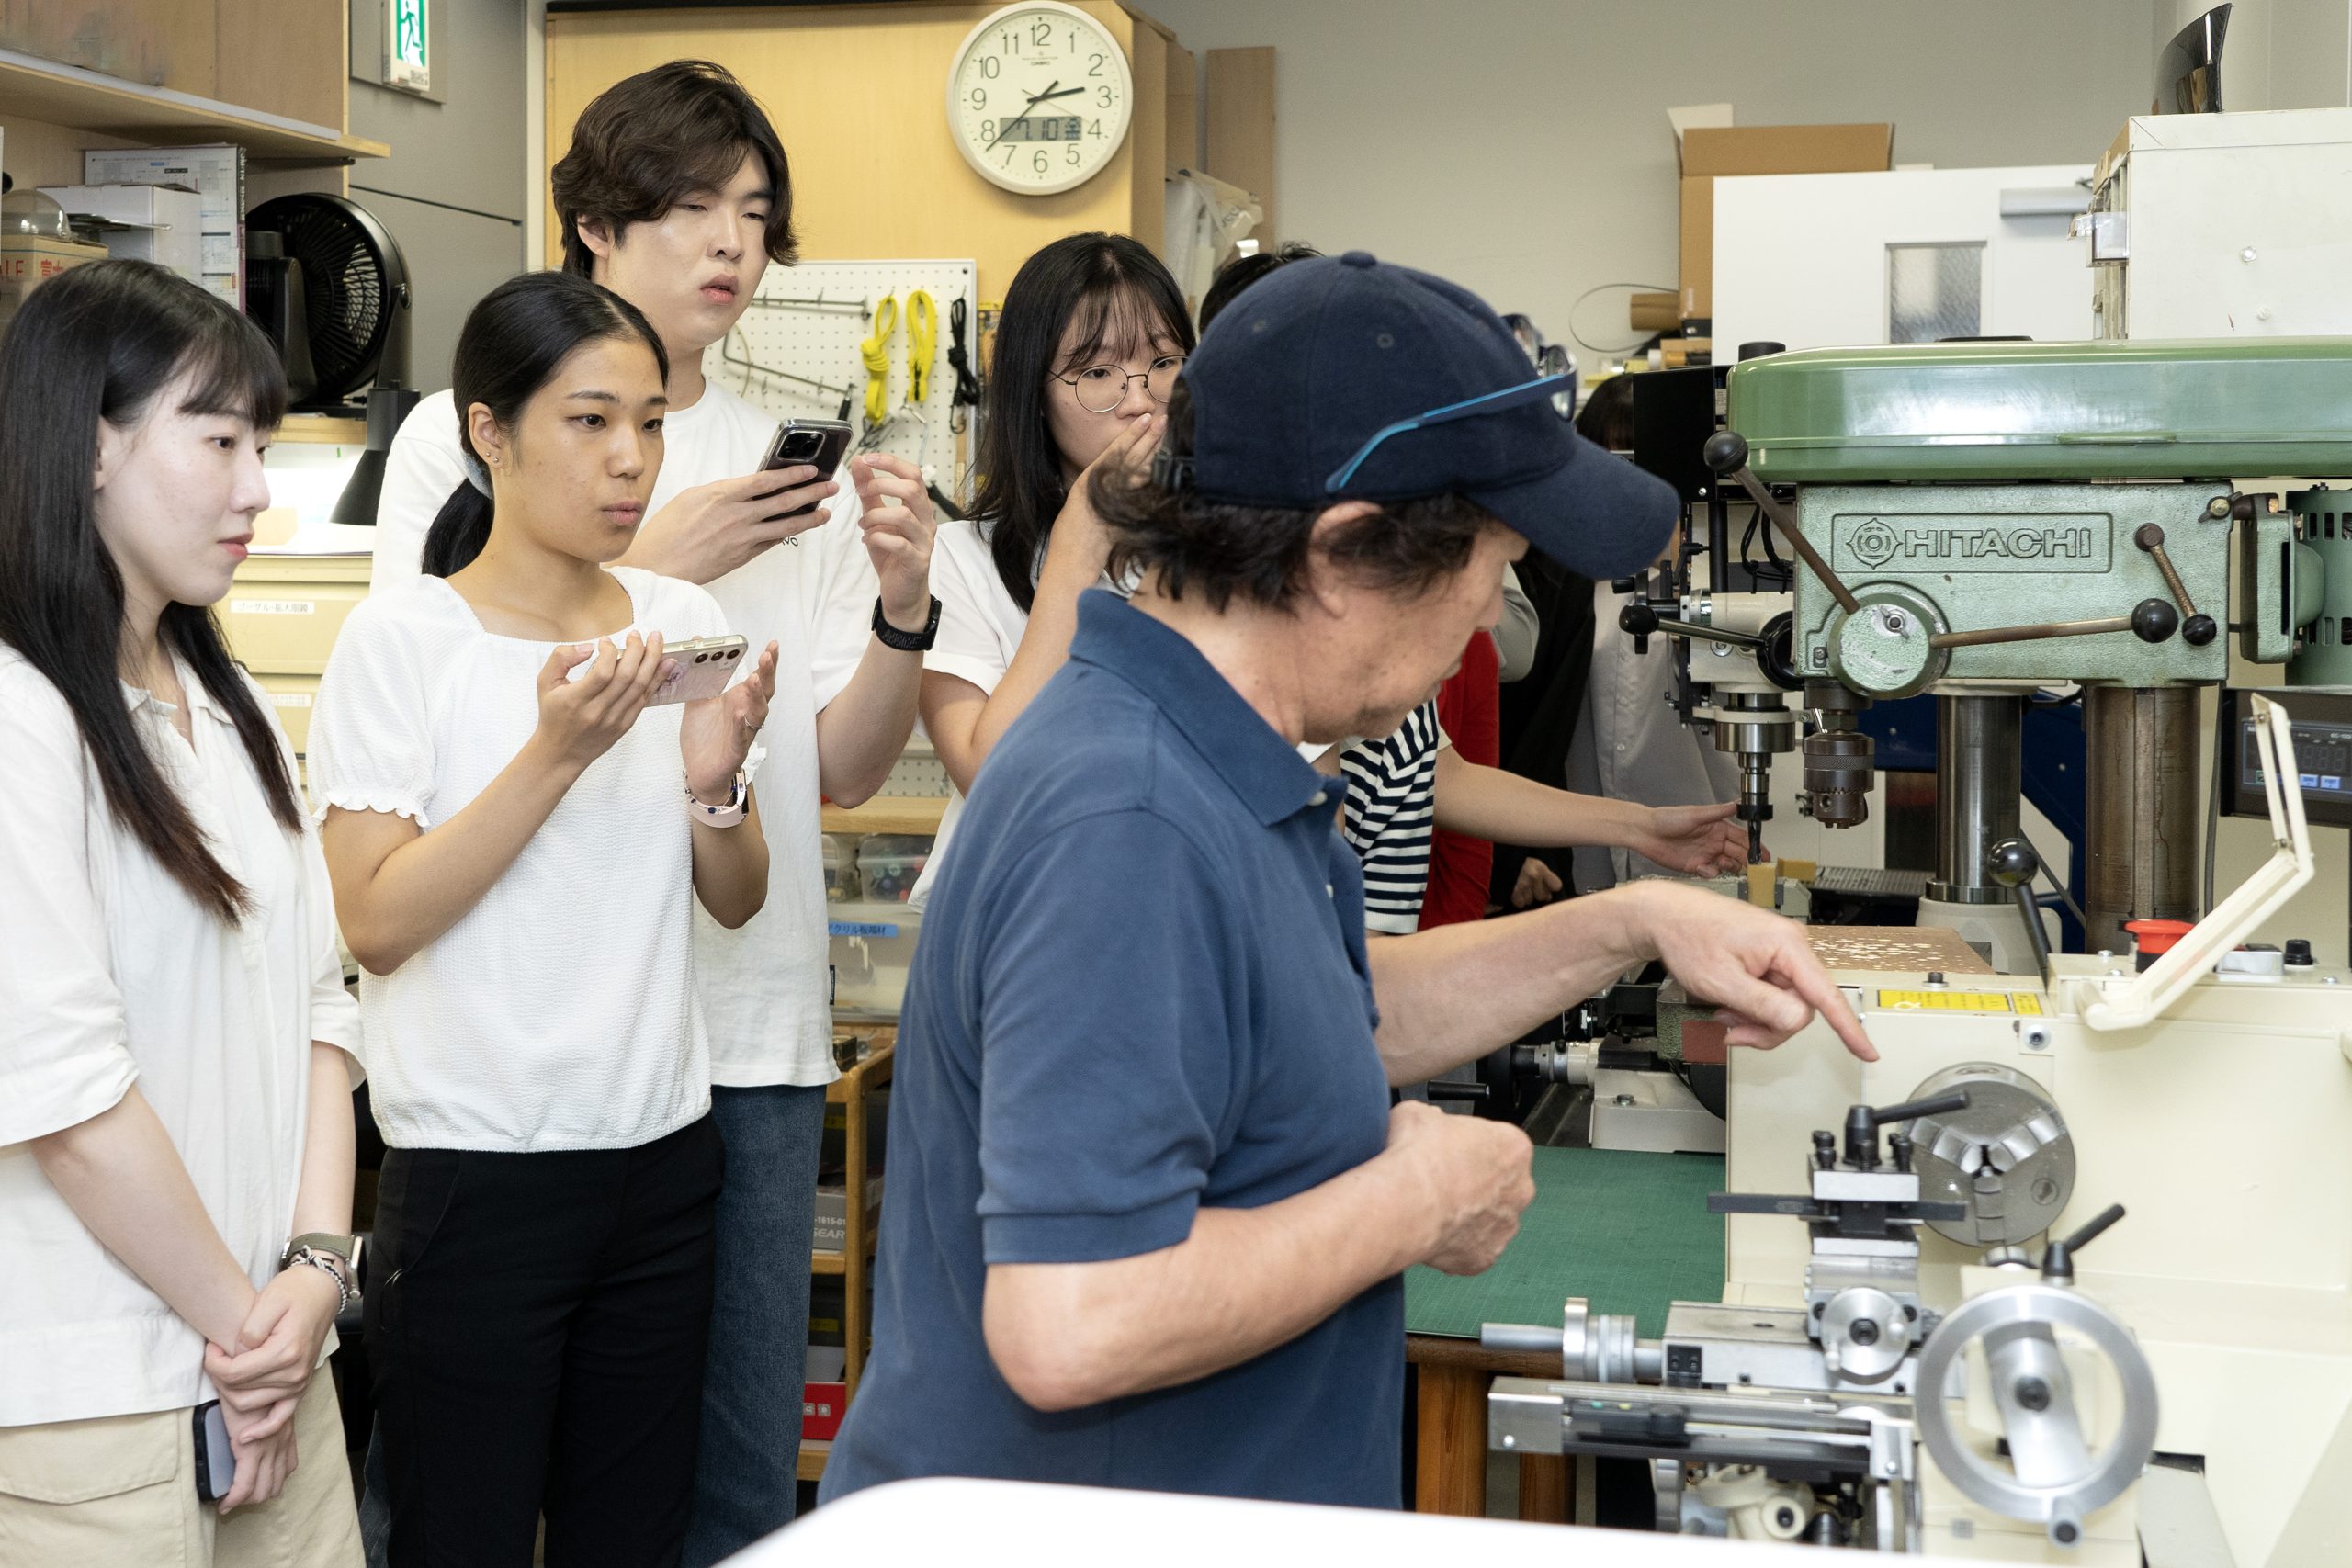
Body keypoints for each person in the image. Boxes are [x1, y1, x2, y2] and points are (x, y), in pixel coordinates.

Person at [818, 251, 1877, 1506]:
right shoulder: (1127, 816)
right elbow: (1074, 1319)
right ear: (1338, 556)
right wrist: (1412, 1200)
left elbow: (1330, 1012)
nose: (1491, 615)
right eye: (1487, 561)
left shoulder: (1224, 749)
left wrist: (1633, 918)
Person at [368, 62, 936, 1562]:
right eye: (691, 206)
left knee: (724, 1484)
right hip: (506, 1076)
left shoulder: (776, 457)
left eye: (754, 213)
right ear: (593, 228)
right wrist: (658, 559)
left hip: (727, 1035)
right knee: (466, 1491)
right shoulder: (465, 434)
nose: (730, 244)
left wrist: (899, 614)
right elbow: (429, 706)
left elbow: (844, 763)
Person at [309, 271, 777, 1568]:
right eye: (588, 421)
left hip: (663, 1160)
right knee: (460, 1533)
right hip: (477, 1171)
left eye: (650, 421)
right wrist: (558, 750)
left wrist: (716, 782)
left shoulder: (683, 623)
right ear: (488, 431)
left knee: (634, 1536)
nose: (631, 459)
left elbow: (734, 899)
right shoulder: (403, 640)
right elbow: (378, 919)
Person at [0, 260, 363, 1563]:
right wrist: (247, 1331)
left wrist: (315, 1277)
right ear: (89, 447)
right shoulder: (20, 714)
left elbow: (325, 1003)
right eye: (218, 440)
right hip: (91, 1390)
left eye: (259, 443)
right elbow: (67, 1096)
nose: (258, 486)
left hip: (272, 1353)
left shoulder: (235, 704)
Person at [910, 231, 1188, 908]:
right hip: (1019, 920)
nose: (1139, 399)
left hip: (1184, 910)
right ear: (1034, 393)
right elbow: (989, 771)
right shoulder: (962, 559)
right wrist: (1075, 550)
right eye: (1096, 373)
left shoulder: (1232, 544)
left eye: (1163, 362)